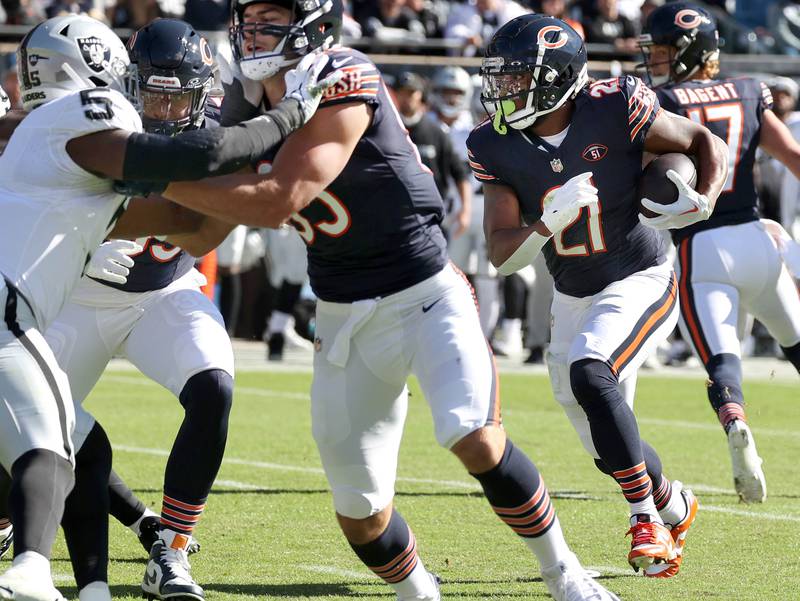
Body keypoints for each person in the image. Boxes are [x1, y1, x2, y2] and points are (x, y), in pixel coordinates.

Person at [125, 1, 624, 599]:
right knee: (360, 515)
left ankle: (564, 571)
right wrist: (104, 217)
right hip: (340, 316)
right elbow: (202, 230)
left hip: (422, 292)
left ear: (309, 23)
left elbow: (279, 198)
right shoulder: (244, 101)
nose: (251, 32)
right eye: (248, 19)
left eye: (268, 20)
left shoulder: (342, 73)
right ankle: (419, 590)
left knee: (474, 435)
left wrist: (142, 173)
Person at [0, 13, 334, 601]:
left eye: (178, 97)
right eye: (153, 93)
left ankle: (166, 551)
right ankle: (36, 550)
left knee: (209, 388)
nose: (164, 111)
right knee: (52, 439)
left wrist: (259, 188)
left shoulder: (158, 127)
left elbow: (193, 233)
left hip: (161, 292)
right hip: (72, 299)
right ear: (123, 77)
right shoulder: (96, 119)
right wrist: (278, 126)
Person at [468, 13, 728, 576]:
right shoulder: (493, 143)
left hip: (641, 274)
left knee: (591, 370)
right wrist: (544, 225)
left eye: (516, 78)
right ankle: (673, 503)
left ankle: (646, 522)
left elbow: (705, 142)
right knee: (607, 445)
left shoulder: (616, 105)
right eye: (501, 77)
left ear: (556, 77)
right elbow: (501, 255)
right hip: (572, 290)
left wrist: (703, 198)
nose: (503, 89)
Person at [639, 2, 800, 504]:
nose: (656, 61)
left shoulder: (661, 101)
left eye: (663, 51)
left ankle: (736, 423)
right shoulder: (750, 89)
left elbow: (637, 178)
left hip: (701, 247)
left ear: (689, 51)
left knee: (723, 363)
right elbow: (794, 159)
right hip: (758, 239)